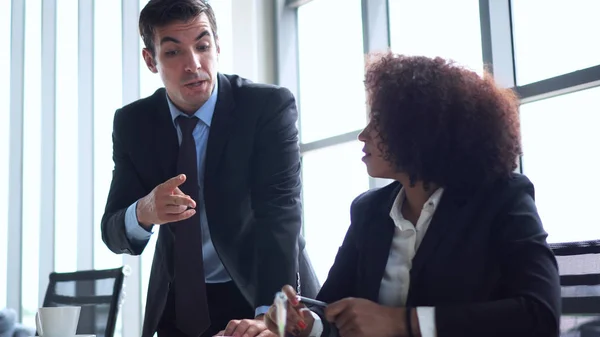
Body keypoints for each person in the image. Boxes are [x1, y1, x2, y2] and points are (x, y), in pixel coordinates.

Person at [264, 53, 561, 337]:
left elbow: (539, 314)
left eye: (378, 121)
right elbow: (335, 310)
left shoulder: (502, 198)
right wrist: (305, 323)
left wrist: (402, 322)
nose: (363, 134)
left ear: (421, 129)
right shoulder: (369, 211)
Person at [100, 1, 312, 336]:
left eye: (203, 46)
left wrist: (271, 316)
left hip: (259, 291)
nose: (194, 64)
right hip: (179, 304)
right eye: (173, 53)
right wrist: (144, 210)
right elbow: (112, 229)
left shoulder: (266, 108)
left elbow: (280, 215)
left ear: (217, 45)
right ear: (150, 60)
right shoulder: (134, 123)